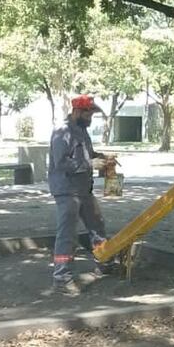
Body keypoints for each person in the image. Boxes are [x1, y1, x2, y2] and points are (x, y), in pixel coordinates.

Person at [47, 94, 116, 296]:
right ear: (78, 111)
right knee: (67, 234)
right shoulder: (62, 132)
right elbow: (60, 162)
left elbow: (87, 155)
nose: (90, 118)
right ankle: (61, 278)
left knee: (97, 225)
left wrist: (102, 158)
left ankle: (104, 262)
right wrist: (89, 164)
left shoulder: (82, 131)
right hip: (67, 190)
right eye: (89, 114)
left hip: (83, 189)